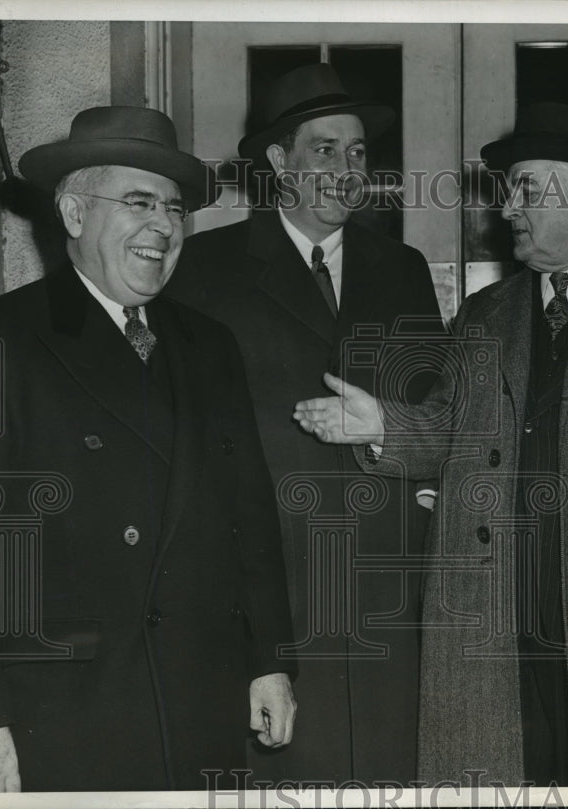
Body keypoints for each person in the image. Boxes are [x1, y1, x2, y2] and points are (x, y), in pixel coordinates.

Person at [294, 102, 568, 786]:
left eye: (525, 189)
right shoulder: (487, 313)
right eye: (507, 191)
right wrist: (381, 425)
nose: (507, 209)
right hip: (496, 615)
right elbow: (448, 427)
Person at [0, 106, 296, 793]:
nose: (164, 226)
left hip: (199, 701)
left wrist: (269, 661)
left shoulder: (211, 345)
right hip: (64, 711)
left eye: (173, 207)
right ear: (74, 213)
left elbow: (249, 519)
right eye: (138, 202)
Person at [164, 63, 444, 787]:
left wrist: (392, 433)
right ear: (279, 163)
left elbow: (441, 420)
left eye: (357, 153)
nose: (347, 169)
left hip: (389, 598)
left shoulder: (403, 269)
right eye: (325, 150)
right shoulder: (204, 270)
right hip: (272, 596)